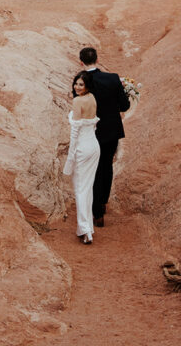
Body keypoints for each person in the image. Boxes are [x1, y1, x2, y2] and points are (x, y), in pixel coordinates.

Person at [78, 46, 130, 227]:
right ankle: (101, 204)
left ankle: (94, 208)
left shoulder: (81, 82)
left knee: (90, 169)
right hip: (109, 131)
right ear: (97, 60)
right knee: (106, 167)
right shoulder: (113, 79)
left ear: (81, 62)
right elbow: (124, 106)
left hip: (90, 132)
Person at [63, 70, 100, 244]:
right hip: (94, 146)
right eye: (76, 83)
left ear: (87, 86)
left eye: (81, 84)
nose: (77, 87)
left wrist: (70, 159)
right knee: (88, 188)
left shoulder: (78, 101)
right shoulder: (92, 98)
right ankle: (88, 227)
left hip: (83, 148)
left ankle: (85, 230)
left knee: (80, 188)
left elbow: (75, 132)